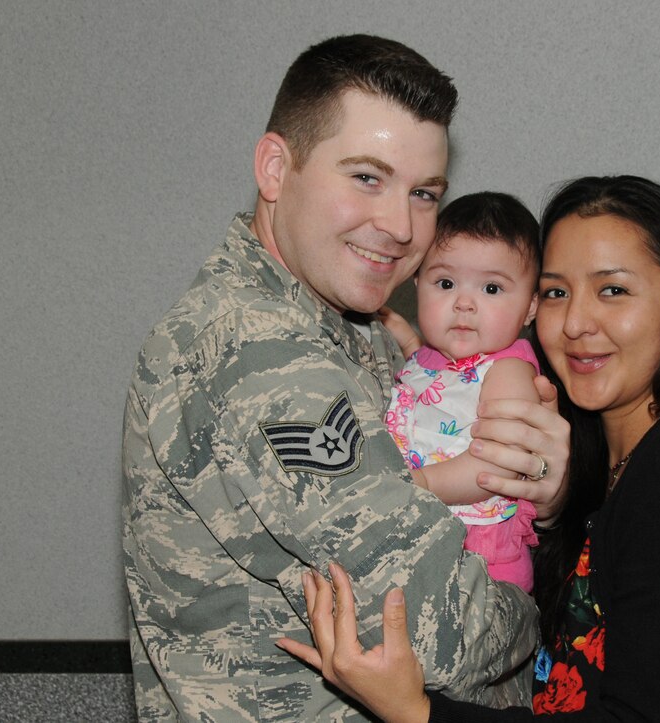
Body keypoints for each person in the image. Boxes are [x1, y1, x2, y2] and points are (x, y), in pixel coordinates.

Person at [122, 35, 570, 721]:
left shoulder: (350, 316)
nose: (399, 225)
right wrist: (541, 606)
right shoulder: (258, 354)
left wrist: (540, 490)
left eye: (424, 193)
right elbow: (440, 629)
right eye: (366, 177)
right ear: (275, 168)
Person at [279, 175, 660, 721]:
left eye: (613, 290)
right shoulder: (591, 458)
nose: (577, 324)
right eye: (558, 292)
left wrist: (415, 711)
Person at [382, 192, 544, 593]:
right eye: (446, 283)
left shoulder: (508, 371)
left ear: (530, 308)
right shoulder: (429, 357)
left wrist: (410, 484)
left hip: (481, 565)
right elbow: (429, 381)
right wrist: (399, 331)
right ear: (417, 282)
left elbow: (495, 466)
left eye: (492, 288)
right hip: (425, 550)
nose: (464, 304)